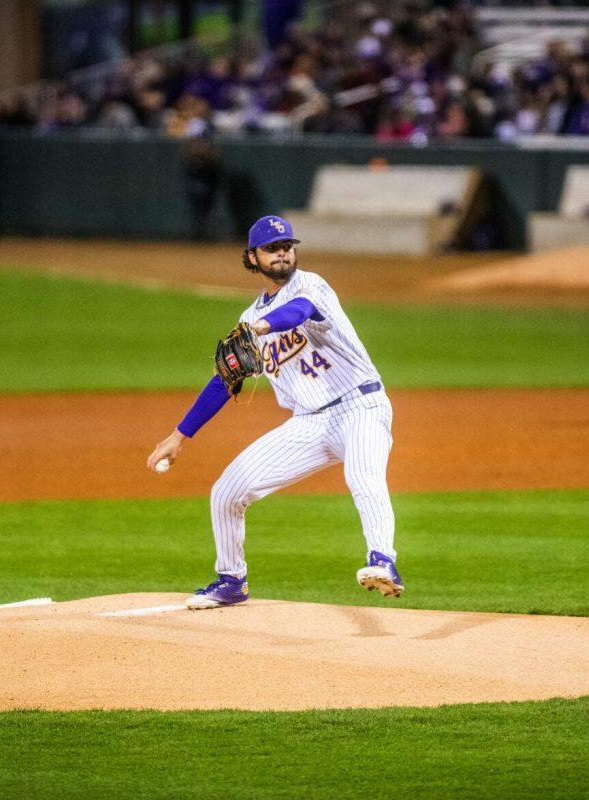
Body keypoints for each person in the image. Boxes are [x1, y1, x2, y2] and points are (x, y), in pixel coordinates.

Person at [146, 215, 402, 609]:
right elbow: (224, 380)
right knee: (226, 492)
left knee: (362, 474)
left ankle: (383, 561)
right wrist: (180, 435)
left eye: (287, 246)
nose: (282, 253)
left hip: (361, 406)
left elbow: (296, 312)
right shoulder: (248, 320)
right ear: (252, 257)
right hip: (309, 424)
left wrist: (261, 329)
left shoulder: (310, 285)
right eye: (271, 249)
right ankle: (231, 581)